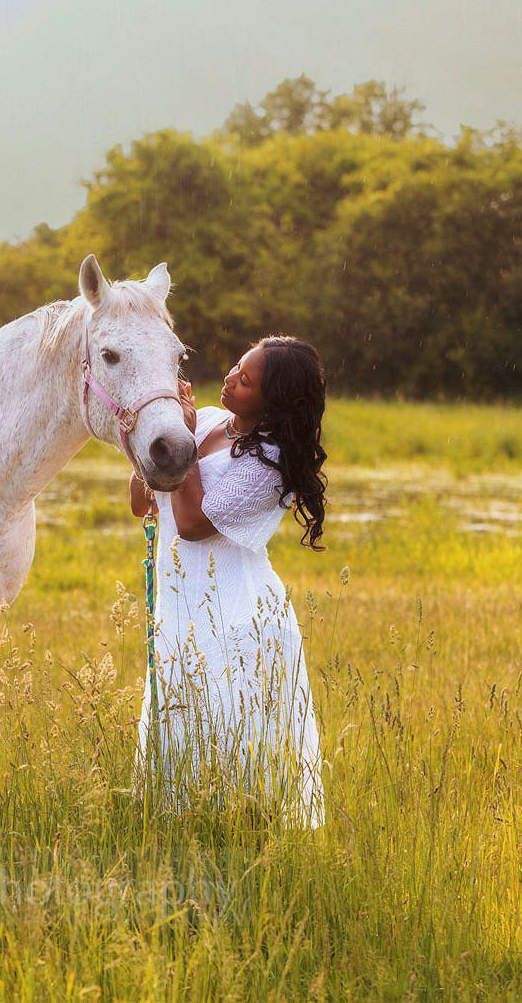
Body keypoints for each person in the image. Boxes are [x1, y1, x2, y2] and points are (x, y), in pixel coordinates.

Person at [128, 336, 328, 827]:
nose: (230, 380)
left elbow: (194, 525)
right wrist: (165, 431)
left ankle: (237, 833)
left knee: (229, 727)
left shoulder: (271, 462)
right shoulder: (211, 424)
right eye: (236, 367)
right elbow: (141, 501)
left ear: (272, 401)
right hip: (180, 602)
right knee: (176, 719)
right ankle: (177, 829)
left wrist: (187, 448)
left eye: (245, 380)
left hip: (235, 613)